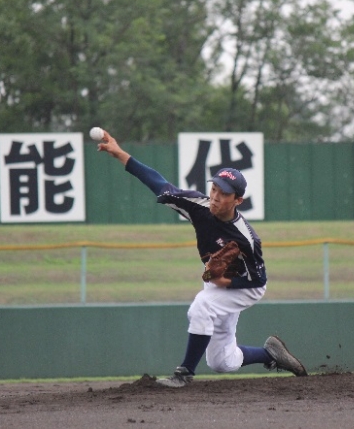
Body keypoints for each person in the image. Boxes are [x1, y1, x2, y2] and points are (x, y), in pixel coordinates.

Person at [97, 130, 307, 387]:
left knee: (201, 307)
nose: (216, 197)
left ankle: (184, 374)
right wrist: (120, 154)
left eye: (224, 194)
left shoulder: (247, 238)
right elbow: (159, 183)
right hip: (217, 281)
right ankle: (271, 355)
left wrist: (226, 283)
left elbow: (259, 280)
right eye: (214, 188)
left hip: (246, 286)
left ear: (238, 200)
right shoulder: (199, 206)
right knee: (221, 362)